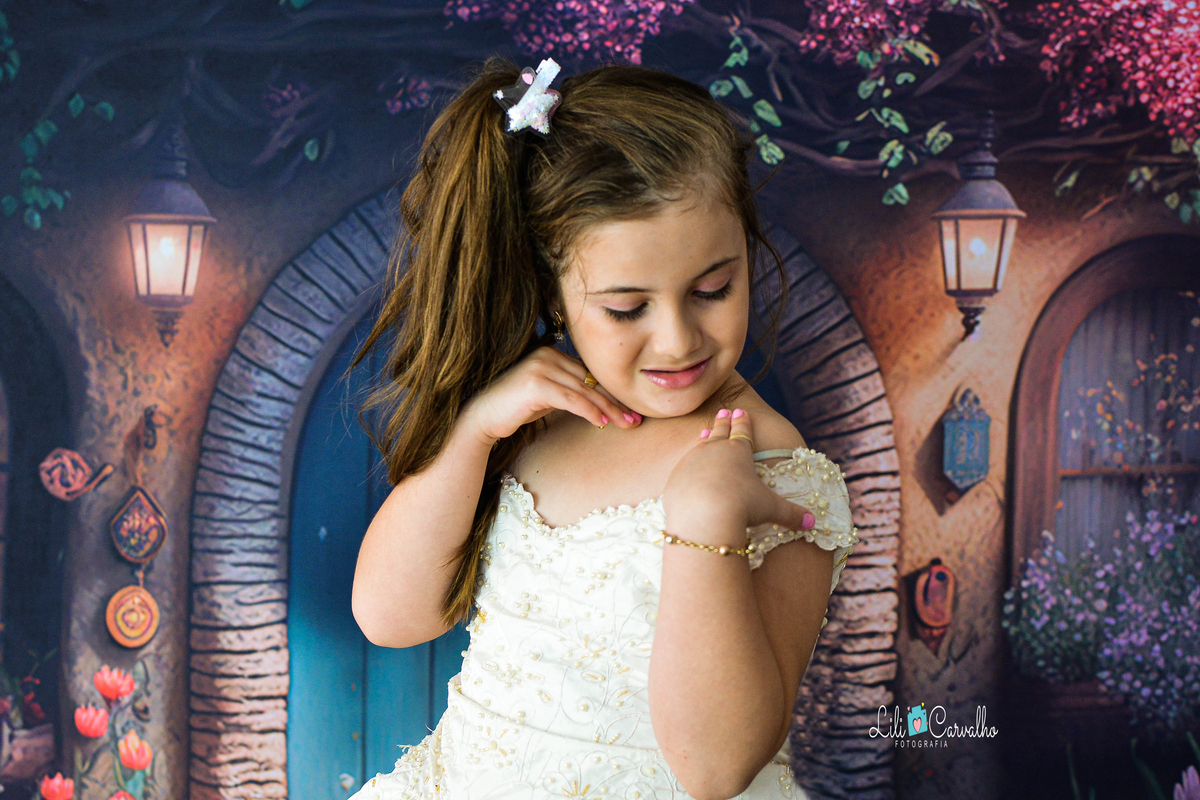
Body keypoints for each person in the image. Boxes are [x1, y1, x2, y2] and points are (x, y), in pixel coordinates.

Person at [347, 53, 860, 800]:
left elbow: (717, 768)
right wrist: (475, 432)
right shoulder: (534, 428)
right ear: (554, 297)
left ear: (747, 254)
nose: (679, 339)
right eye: (626, 309)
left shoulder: (778, 473)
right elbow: (390, 617)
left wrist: (705, 518)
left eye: (713, 289)